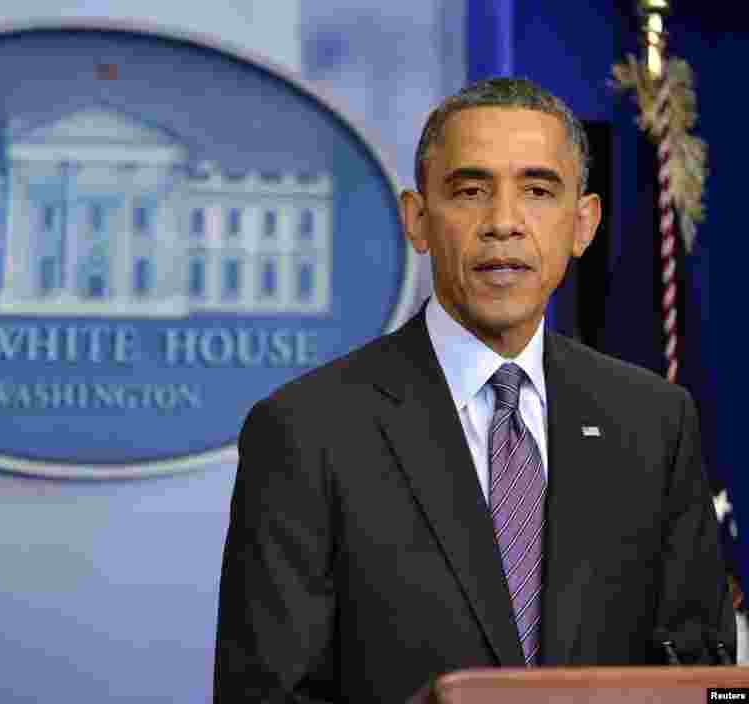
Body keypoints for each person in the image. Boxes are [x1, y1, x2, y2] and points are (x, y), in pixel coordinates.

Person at [213, 77, 735, 703]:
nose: (504, 224)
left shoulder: (654, 422)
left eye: (538, 191)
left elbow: (705, 679)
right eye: (470, 191)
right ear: (417, 219)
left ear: (584, 223)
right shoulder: (306, 431)